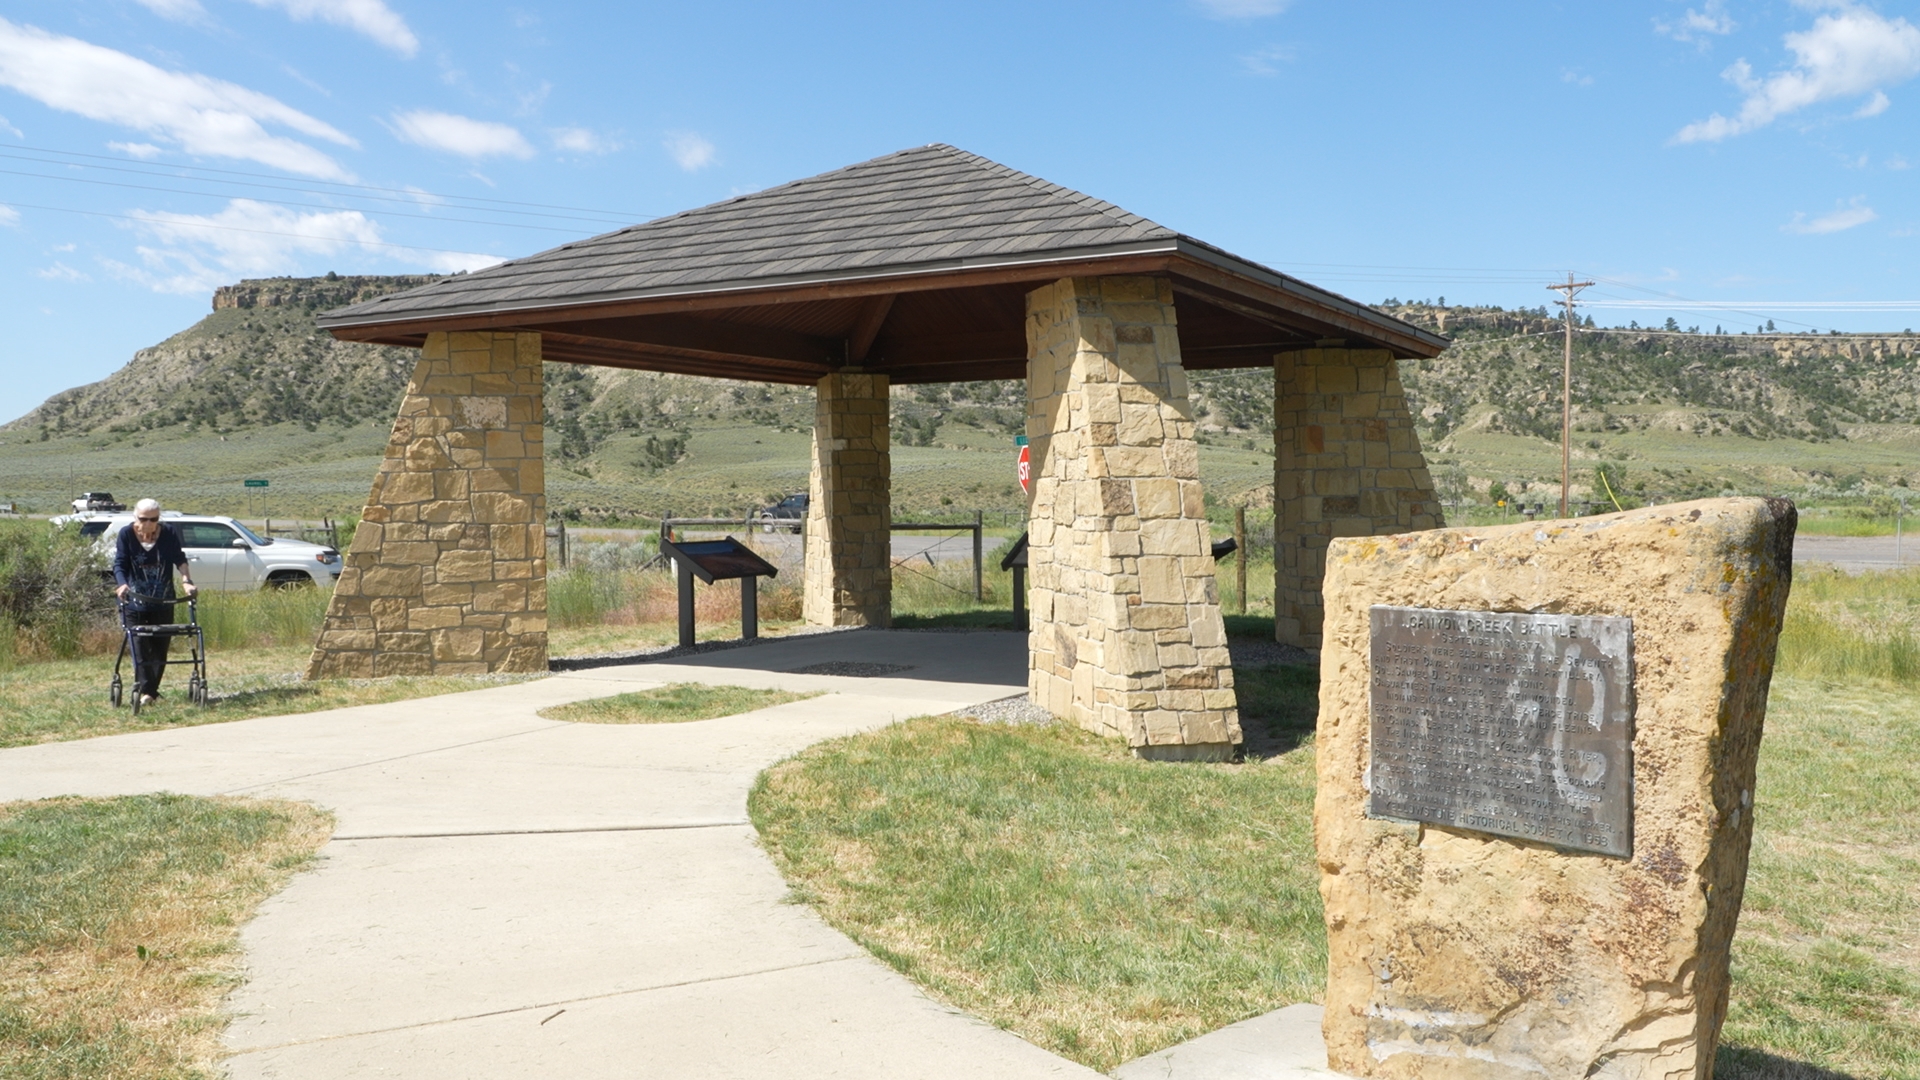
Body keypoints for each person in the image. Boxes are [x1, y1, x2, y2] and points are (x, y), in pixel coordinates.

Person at [111, 499, 197, 706]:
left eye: (154, 519)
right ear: (135, 518)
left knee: (160, 648)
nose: (149, 523)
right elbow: (120, 563)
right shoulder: (126, 535)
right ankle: (148, 691)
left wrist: (187, 581)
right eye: (143, 519)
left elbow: (179, 559)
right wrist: (122, 584)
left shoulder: (168, 533)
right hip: (135, 602)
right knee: (139, 646)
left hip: (163, 600)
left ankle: (149, 692)